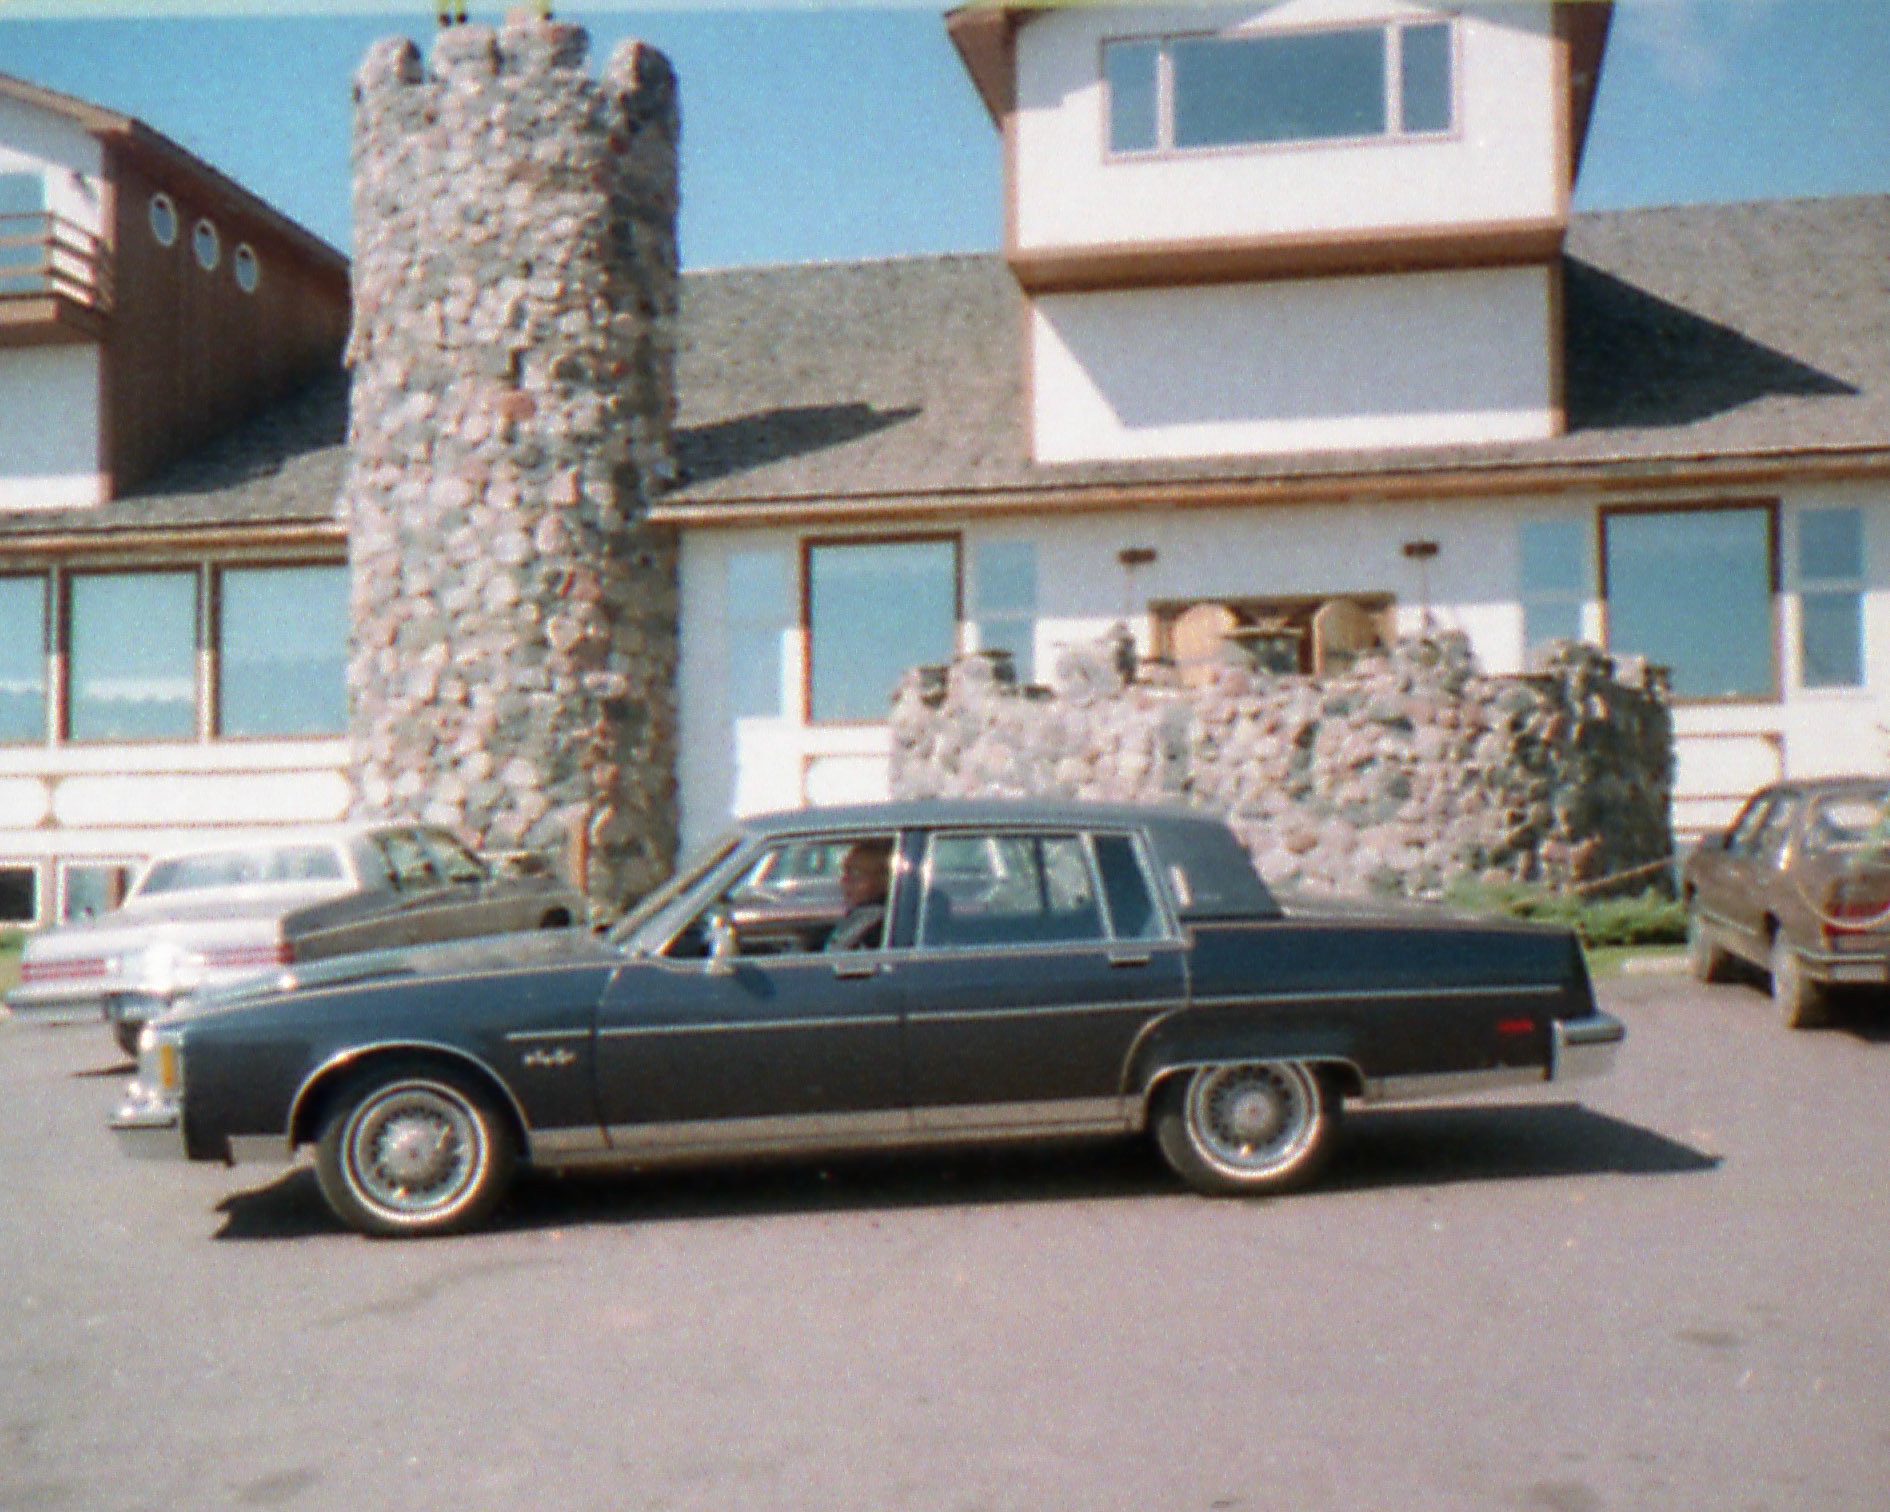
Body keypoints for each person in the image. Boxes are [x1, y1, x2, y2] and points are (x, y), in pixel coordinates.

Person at [825, 838, 892, 951]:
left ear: (883, 880)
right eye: (845, 872)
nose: (845, 880)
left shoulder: (877, 932)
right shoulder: (859, 918)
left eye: (855, 874)